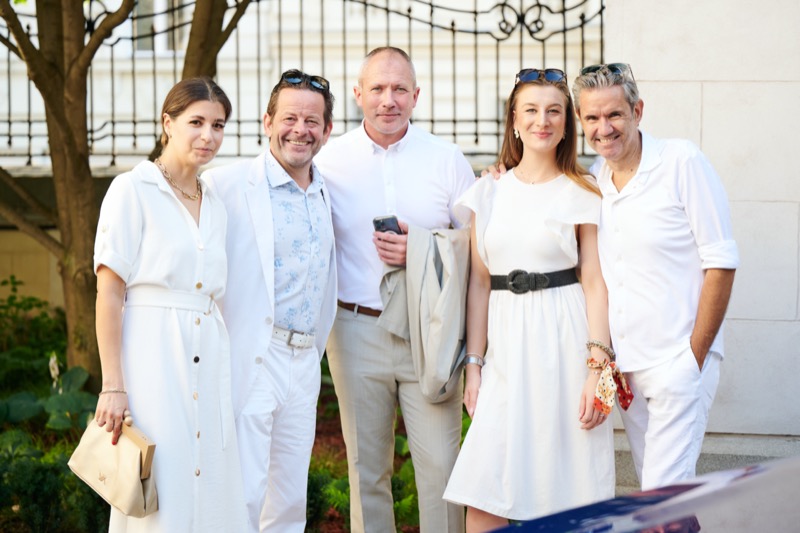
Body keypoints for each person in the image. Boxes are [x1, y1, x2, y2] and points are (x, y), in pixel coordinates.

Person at [442, 68, 617, 532]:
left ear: (566, 123)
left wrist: (598, 370)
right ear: (514, 121)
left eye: (554, 111)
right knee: (486, 488)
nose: (543, 120)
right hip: (504, 351)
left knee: (571, 483)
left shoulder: (584, 190)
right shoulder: (487, 191)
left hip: (566, 345)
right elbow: (480, 283)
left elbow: (594, 281)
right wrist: (474, 365)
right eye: (532, 110)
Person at [314, 46, 474, 533]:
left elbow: (477, 246)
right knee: (366, 471)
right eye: (378, 89)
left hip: (432, 331)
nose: (389, 99)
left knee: (442, 471)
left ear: (416, 95)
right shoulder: (328, 161)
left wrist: (420, 248)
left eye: (400, 89)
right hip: (355, 328)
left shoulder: (446, 159)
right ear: (358, 94)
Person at [572, 63, 738, 490]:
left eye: (614, 114)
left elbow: (721, 261)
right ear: (581, 121)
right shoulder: (594, 180)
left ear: (637, 111)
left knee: (663, 496)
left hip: (677, 361)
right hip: (627, 374)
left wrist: (692, 359)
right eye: (592, 117)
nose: (604, 128)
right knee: (661, 498)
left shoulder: (681, 161)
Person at [93, 77, 248, 532]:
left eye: (218, 125)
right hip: (152, 359)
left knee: (211, 479)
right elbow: (109, 292)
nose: (208, 135)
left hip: (209, 357)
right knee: (161, 479)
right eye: (196, 122)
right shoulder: (132, 189)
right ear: (167, 123)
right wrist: (113, 386)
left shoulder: (215, 203)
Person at [203, 70, 337, 532]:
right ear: (267, 122)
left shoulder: (326, 190)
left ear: (327, 130)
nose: (300, 130)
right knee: (243, 491)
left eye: (312, 121)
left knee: (289, 498)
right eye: (289, 118)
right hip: (254, 355)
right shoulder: (225, 186)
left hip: (304, 362)